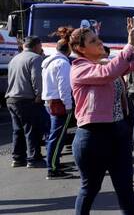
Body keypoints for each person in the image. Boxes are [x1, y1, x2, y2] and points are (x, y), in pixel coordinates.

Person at [70, 17, 134, 214]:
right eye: (93, 41)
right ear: (81, 49)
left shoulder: (106, 63)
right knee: (90, 188)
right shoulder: (79, 68)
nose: (99, 42)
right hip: (92, 136)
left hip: (118, 132)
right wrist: (129, 45)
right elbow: (107, 74)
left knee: (125, 189)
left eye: (98, 38)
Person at [5, 36, 45, 168]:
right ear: (36, 46)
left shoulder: (14, 58)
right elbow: (36, 78)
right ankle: (34, 159)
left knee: (18, 130)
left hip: (11, 98)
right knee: (31, 130)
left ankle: (18, 158)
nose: (41, 48)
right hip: (26, 99)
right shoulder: (35, 58)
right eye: (40, 46)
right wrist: (39, 94)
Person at [41, 27, 76, 179]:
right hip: (59, 103)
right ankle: (53, 169)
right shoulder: (63, 63)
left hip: (50, 101)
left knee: (55, 136)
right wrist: (68, 105)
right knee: (57, 137)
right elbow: (64, 87)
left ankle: (54, 163)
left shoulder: (49, 61)